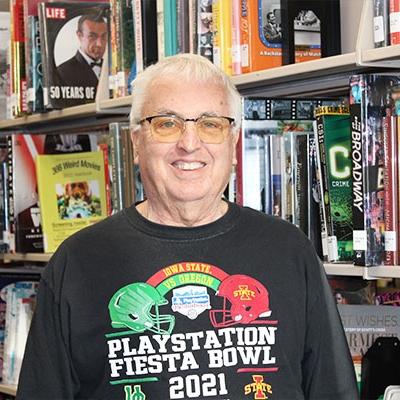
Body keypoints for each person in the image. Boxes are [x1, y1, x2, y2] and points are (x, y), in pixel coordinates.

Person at [16, 53, 358, 399]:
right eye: (167, 123)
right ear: (136, 142)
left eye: (211, 124)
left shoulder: (289, 250)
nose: (190, 144)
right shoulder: (78, 262)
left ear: (234, 145)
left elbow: (334, 390)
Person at [56, 11, 108, 98]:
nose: (100, 44)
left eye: (104, 37)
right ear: (79, 35)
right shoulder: (63, 72)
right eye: (92, 36)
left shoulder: (112, 67)